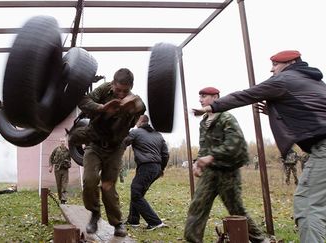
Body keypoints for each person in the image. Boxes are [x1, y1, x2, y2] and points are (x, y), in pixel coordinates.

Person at [193, 50, 326, 242]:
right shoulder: (315, 82)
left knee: (307, 205)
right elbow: (310, 113)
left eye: (275, 64)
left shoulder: (284, 80)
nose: (272, 69)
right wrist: (274, 111)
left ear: (290, 62)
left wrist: (210, 108)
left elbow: (246, 95)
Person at [185, 87, 265, 243]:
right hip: (209, 173)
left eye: (204, 96)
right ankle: (193, 239)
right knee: (197, 206)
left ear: (215, 97)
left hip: (228, 172)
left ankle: (259, 240)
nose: (200, 100)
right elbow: (204, 147)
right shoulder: (204, 122)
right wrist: (198, 162)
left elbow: (235, 144)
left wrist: (212, 156)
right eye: (199, 96)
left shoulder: (226, 118)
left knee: (236, 209)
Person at [77, 68, 145, 237]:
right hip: (94, 144)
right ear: (113, 84)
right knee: (89, 180)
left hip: (115, 148)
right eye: (118, 89)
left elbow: (141, 107)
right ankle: (94, 214)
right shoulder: (104, 89)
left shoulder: (133, 100)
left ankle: (117, 223)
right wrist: (102, 108)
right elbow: (83, 101)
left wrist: (131, 105)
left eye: (125, 91)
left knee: (108, 186)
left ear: (130, 87)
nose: (121, 94)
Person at [123, 115, 169, 230]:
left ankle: (155, 222)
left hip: (146, 166)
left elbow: (123, 142)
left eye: (136, 120)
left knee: (136, 192)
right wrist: (161, 169)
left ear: (141, 121)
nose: (135, 122)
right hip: (156, 168)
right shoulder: (158, 134)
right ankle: (133, 220)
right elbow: (165, 154)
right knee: (138, 192)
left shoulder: (136, 132)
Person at [48, 138, 71, 204]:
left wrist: (68, 162)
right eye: (61, 141)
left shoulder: (68, 150)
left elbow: (71, 158)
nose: (62, 142)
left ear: (65, 142)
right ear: (59, 142)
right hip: (57, 169)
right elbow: (51, 157)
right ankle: (60, 198)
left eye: (63, 141)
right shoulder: (56, 149)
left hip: (65, 170)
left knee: (64, 185)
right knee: (59, 185)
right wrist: (50, 166)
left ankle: (63, 199)